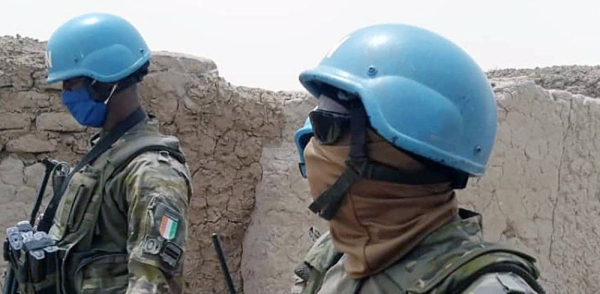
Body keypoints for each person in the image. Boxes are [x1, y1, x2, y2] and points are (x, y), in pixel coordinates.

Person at [291, 24, 545, 293]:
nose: (309, 144)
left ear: (398, 152)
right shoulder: (333, 258)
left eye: (325, 126)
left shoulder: (484, 289)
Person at [5, 13, 192, 294]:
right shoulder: (104, 156)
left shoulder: (153, 170)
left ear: (104, 82)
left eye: (71, 84)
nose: (65, 96)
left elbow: (153, 283)